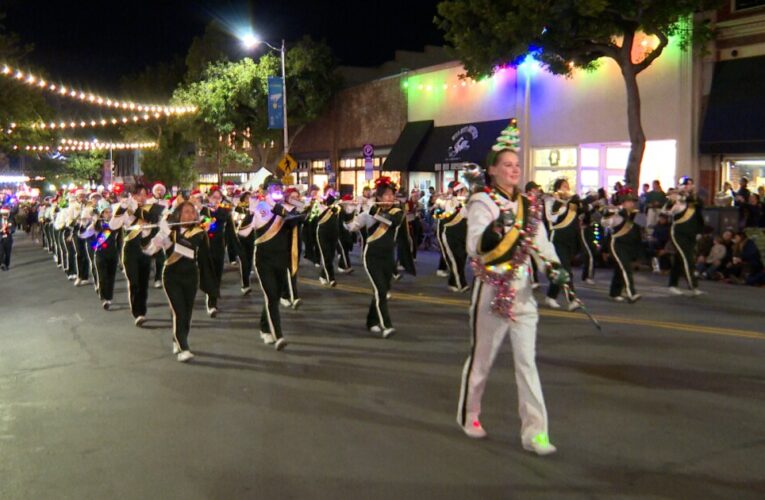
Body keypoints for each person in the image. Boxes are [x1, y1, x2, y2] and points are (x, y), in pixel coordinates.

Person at [457, 128, 563, 455]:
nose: (514, 169)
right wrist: (492, 233)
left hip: (522, 293)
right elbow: (475, 245)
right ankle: (470, 413)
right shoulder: (481, 201)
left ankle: (535, 433)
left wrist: (555, 269)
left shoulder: (529, 205)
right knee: (483, 360)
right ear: (492, 169)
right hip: (491, 289)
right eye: (506, 164)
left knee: (526, 364)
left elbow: (541, 244)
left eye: (516, 164)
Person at [145, 201, 217, 362]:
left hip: (191, 276)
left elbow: (188, 249)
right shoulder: (170, 230)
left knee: (187, 313)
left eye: (192, 212)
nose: (190, 215)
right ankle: (184, 347)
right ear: (178, 214)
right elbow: (150, 250)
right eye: (186, 212)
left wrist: (168, 235)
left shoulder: (198, 232)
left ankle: (177, 340)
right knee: (179, 312)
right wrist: (160, 235)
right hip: (171, 276)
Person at [345, 176, 404, 338]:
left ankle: (371, 321)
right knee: (379, 290)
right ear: (378, 198)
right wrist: (348, 211)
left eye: (392, 195)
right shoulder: (367, 215)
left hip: (388, 259)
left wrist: (374, 211)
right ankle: (387, 325)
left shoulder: (397, 212)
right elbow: (350, 227)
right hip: (371, 258)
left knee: (382, 291)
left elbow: (393, 222)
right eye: (386, 195)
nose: (390, 198)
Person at [247, 177, 297, 351]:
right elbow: (257, 223)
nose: (277, 190)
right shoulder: (260, 207)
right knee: (270, 296)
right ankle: (278, 336)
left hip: (281, 259)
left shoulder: (287, 207)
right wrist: (279, 211)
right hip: (264, 260)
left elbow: (300, 219)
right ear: (267, 190)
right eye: (274, 188)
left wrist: (290, 209)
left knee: (274, 297)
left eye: (280, 187)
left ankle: (264, 328)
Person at [110, 184, 158, 327]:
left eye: (145, 194)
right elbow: (113, 225)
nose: (142, 197)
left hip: (144, 248)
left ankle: (142, 312)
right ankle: (137, 313)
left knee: (143, 283)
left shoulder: (150, 208)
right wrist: (123, 208)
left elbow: (156, 222)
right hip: (130, 249)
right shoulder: (124, 208)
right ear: (133, 195)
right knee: (134, 282)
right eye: (139, 195)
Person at [543, 178, 582, 311]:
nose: (566, 189)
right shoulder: (551, 200)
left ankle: (550, 296)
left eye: (567, 186)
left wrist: (581, 204)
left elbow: (580, 218)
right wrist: (559, 202)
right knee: (566, 271)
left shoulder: (572, 203)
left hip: (570, 241)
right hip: (558, 239)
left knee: (561, 270)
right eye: (563, 186)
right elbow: (551, 218)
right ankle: (572, 300)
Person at [199, 186, 238, 317]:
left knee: (217, 274)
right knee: (208, 273)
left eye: (219, 198)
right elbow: (199, 227)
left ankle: (213, 299)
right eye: (214, 197)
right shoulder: (202, 210)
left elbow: (231, 231)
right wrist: (206, 222)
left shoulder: (224, 211)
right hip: (205, 246)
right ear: (208, 197)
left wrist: (237, 249)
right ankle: (211, 302)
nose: (216, 200)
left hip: (219, 246)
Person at [601, 191, 642, 303]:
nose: (632, 204)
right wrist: (608, 212)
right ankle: (631, 293)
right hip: (617, 245)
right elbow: (605, 223)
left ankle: (615, 293)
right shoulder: (616, 214)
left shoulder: (633, 214)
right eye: (629, 202)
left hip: (628, 246)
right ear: (623, 203)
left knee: (620, 269)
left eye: (633, 202)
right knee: (625, 268)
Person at [666, 178, 704, 296]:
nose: (689, 187)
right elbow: (667, 211)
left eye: (691, 185)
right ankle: (693, 286)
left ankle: (673, 284)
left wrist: (699, 231)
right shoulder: (676, 198)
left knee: (679, 259)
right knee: (687, 258)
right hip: (678, 233)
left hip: (691, 233)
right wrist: (673, 199)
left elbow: (699, 215)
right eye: (686, 185)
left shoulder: (695, 200)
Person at [435, 181, 469, 291]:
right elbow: (438, 211)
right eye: (463, 190)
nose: (465, 192)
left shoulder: (467, 202)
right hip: (451, 233)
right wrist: (440, 200)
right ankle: (460, 284)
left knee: (461, 259)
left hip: (463, 234)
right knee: (454, 259)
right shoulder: (449, 200)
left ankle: (453, 282)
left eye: (465, 190)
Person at [93, 204, 120, 309]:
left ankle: (109, 298)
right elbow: (99, 240)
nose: (109, 214)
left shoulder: (114, 224)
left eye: (110, 212)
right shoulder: (98, 224)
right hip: (100, 253)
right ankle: (104, 298)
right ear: (102, 214)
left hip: (112, 253)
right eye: (106, 212)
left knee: (111, 277)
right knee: (103, 276)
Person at [315, 187, 341, 287]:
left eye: (333, 192)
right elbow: (317, 217)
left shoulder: (336, 205)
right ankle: (331, 278)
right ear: (324, 193)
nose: (331, 194)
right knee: (325, 255)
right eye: (329, 192)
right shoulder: (319, 204)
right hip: (322, 233)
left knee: (330, 256)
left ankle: (322, 275)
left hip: (333, 233)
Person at [233, 191, 255, 295]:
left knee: (250, 258)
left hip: (251, 237)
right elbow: (236, 221)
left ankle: (247, 275)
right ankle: (245, 285)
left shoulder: (254, 209)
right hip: (240, 237)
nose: (249, 200)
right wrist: (248, 214)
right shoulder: (238, 209)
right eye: (247, 198)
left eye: (250, 198)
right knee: (244, 260)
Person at [0, 206, 15, 270]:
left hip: (8, 239)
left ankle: (7, 264)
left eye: (6, 214)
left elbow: (13, 228)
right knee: (1, 252)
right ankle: (2, 263)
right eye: (3, 214)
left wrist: (9, 230)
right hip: (0, 239)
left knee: (8, 253)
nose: (4, 216)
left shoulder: (11, 220)